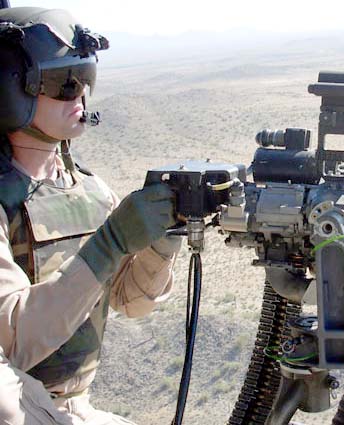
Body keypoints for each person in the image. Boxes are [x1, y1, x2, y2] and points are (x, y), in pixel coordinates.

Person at [0, 7, 181, 424]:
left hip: (73, 406)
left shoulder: (89, 190)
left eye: (85, 79)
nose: (79, 95)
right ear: (10, 92)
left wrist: (159, 246)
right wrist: (110, 244)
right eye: (63, 83)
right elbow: (14, 341)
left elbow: (129, 302)